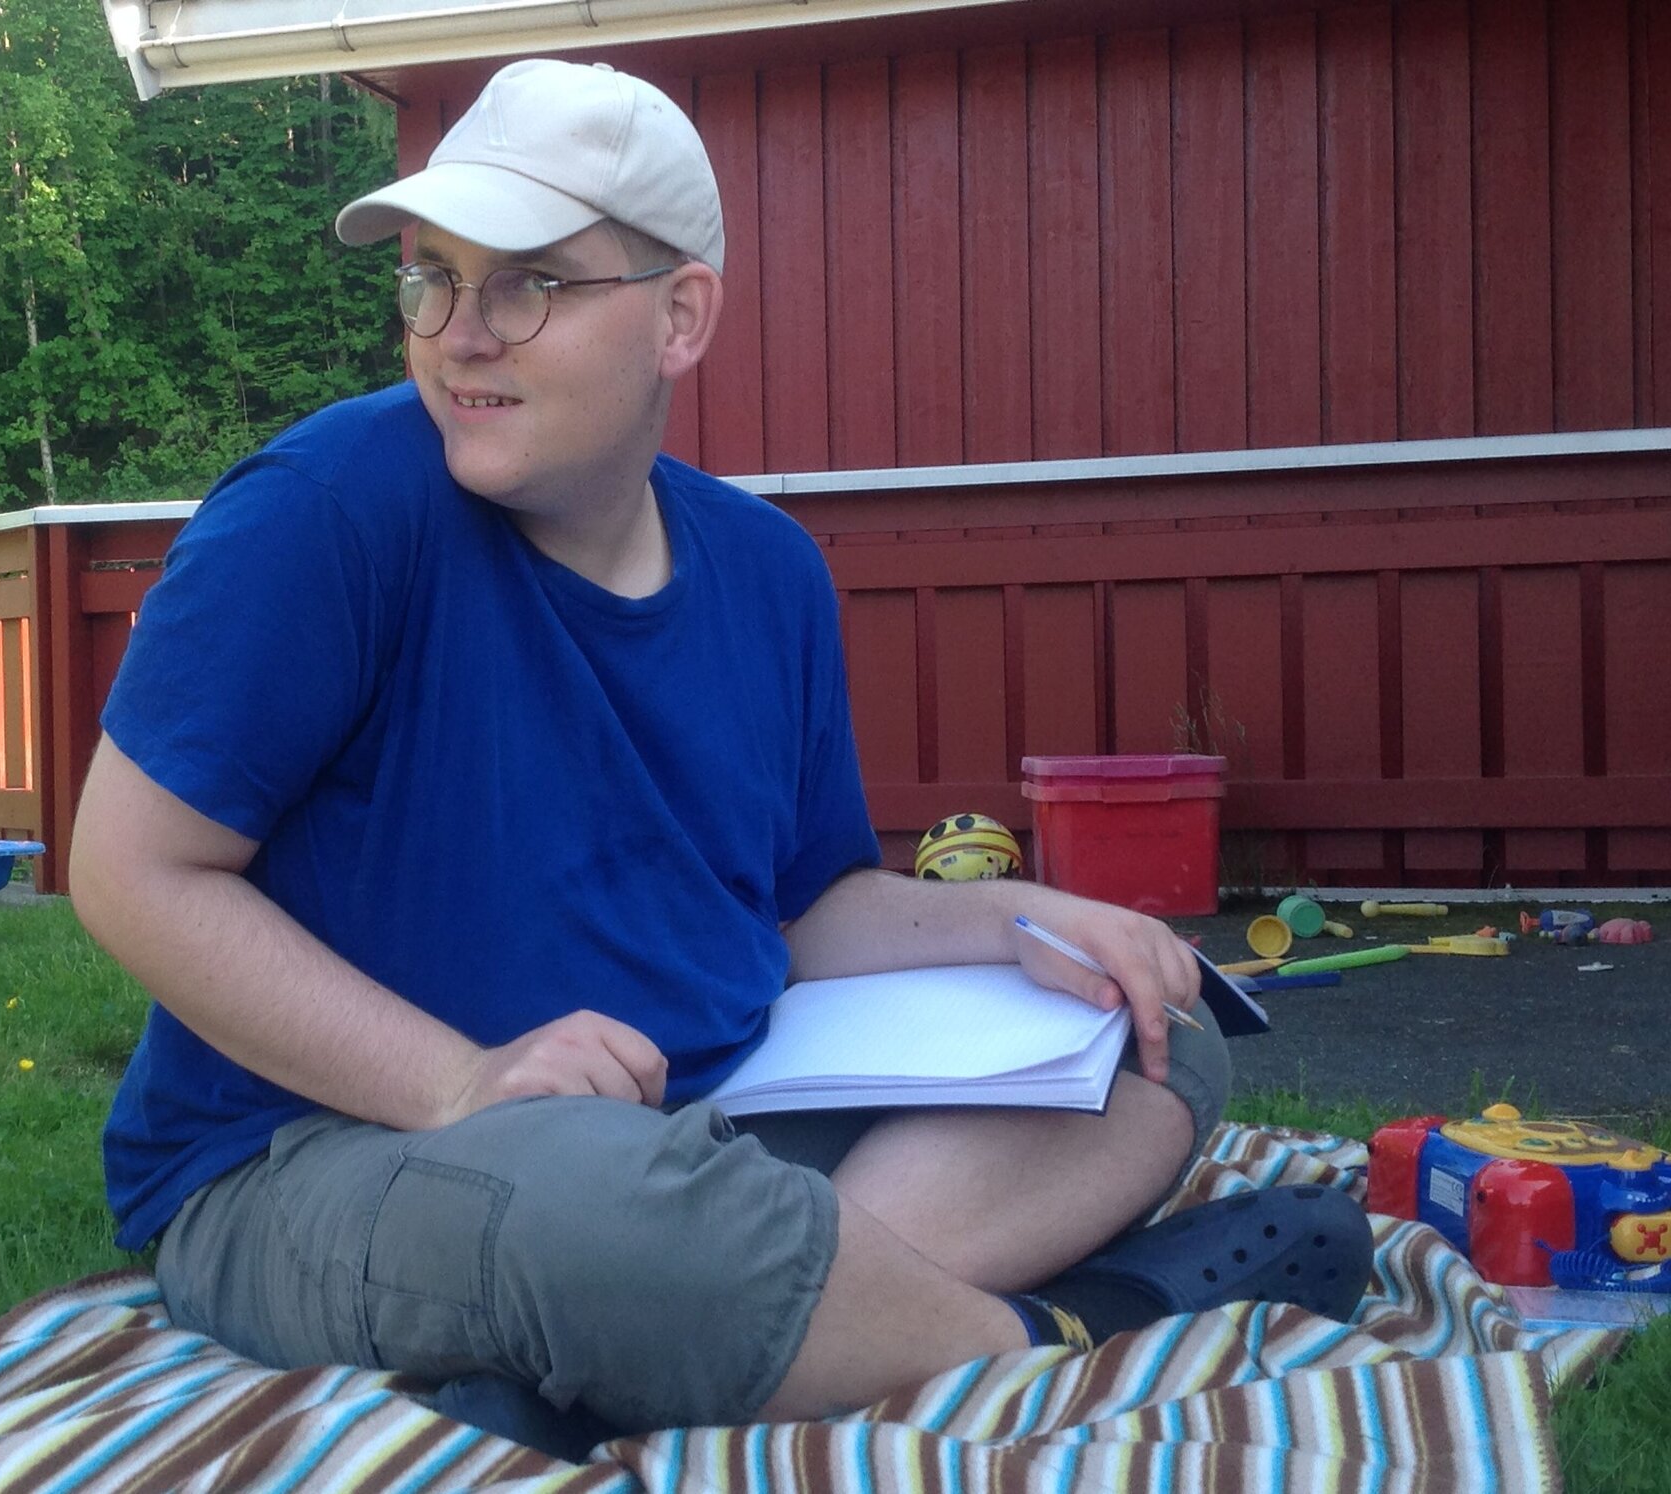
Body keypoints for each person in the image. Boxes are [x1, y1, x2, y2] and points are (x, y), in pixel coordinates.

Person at [68, 56, 1371, 1456]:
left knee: (1153, 1035)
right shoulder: (323, 512)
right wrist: (460, 1086)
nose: (459, 335)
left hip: (710, 1119)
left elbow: (810, 906)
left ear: (680, 315)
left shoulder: (766, 569)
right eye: (432, 279)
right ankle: (1077, 1320)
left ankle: (695, 1337)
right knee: (609, 1219)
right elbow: (134, 872)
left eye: (527, 284)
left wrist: (1031, 920)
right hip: (324, 1147)